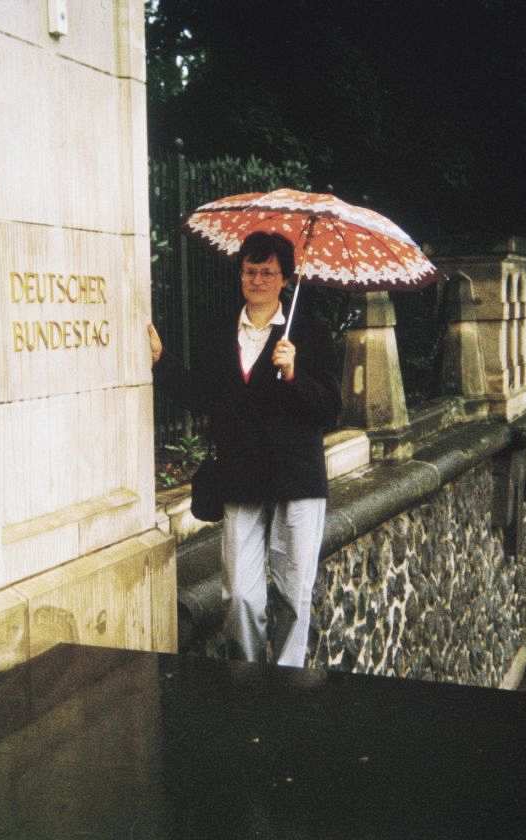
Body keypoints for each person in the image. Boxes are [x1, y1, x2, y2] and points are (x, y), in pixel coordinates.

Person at [148, 231, 341, 666]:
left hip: (296, 477)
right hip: (241, 474)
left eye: (267, 272)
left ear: (285, 279)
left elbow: (330, 409)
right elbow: (202, 394)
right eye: (250, 271)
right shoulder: (223, 333)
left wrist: (294, 374)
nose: (257, 279)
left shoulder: (307, 332)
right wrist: (163, 362)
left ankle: (286, 678)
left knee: (293, 592)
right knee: (239, 595)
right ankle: (250, 677)